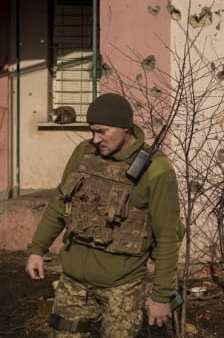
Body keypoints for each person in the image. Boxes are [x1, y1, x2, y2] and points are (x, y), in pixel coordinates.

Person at [25, 93, 183, 337]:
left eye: (102, 131)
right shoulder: (83, 153)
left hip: (122, 286)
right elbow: (60, 202)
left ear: (125, 127)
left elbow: (167, 238)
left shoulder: (157, 170)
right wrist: (37, 249)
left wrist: (161, 296)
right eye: (92, 131)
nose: (96, 139)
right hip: (74, 283)